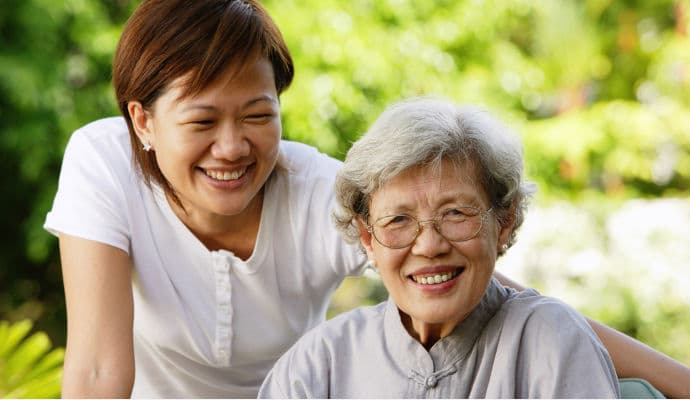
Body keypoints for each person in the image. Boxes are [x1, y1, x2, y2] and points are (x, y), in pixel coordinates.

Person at [43, 0, 690, 398]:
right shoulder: (105, 162)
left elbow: (480, 282)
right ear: (144, 122)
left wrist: (680, 383)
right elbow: (100, 373)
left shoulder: (318, 191)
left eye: (257, 115)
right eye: (203, 121)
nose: (234, 147)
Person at [258, 97, 621, 398]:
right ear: (368, 238)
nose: (429, 246)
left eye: (455, 213)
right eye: (397, 220)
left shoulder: (549, 341)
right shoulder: (318, 365)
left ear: (504, 221)